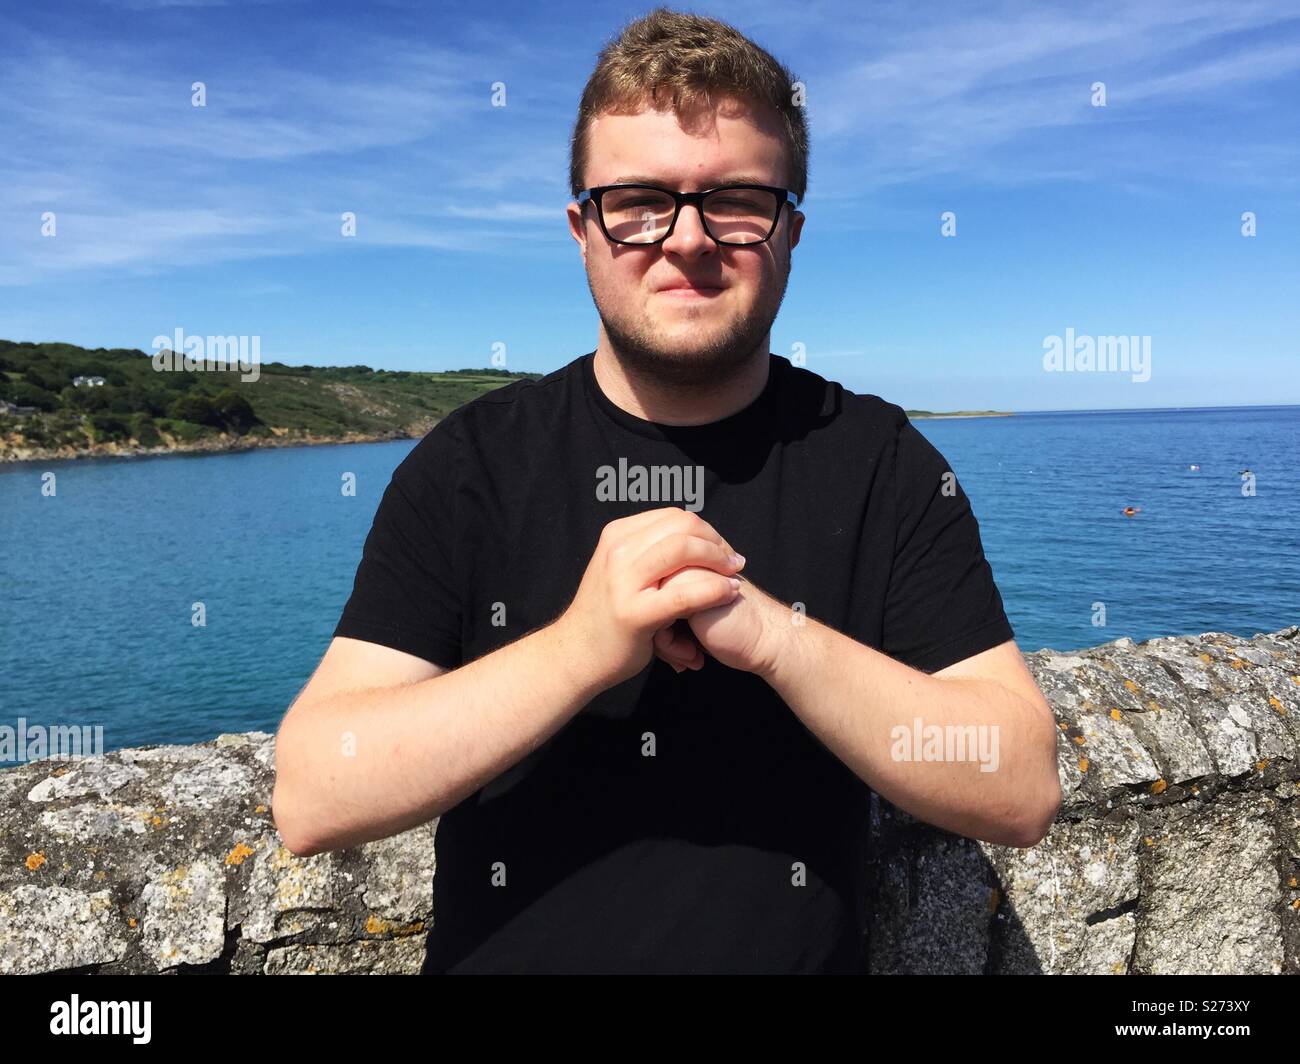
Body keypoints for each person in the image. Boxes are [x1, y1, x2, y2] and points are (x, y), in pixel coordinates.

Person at [271, 7, 1061, 974]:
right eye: (639, 199)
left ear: (792, 232)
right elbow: (313, 794)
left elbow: (1019, 784)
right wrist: (577, 650)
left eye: (736, 199)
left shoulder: (878, 461)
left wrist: (777, 639)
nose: (687, 239)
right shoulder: (470, 464)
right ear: (582, 229)